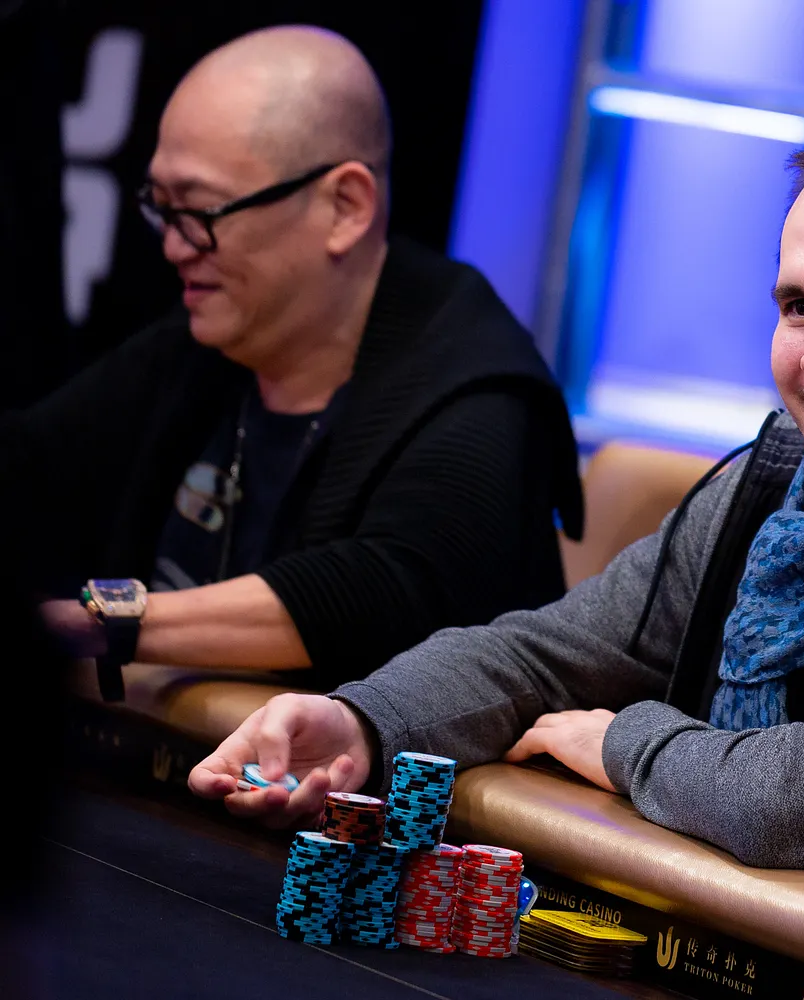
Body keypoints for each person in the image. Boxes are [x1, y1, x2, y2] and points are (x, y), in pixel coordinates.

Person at [189, 117, 804, 882]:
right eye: (799, 306)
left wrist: (620, 738)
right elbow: (543, 655)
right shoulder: (773, 483)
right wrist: (360, 722)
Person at [1, 26, 582, 694]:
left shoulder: (479, 393)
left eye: (200, 211)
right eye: (162, 208)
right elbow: (27, 465)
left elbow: (381, 587)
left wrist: (92, 625)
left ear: (345, 206)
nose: (173, 246)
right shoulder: (207, 345)